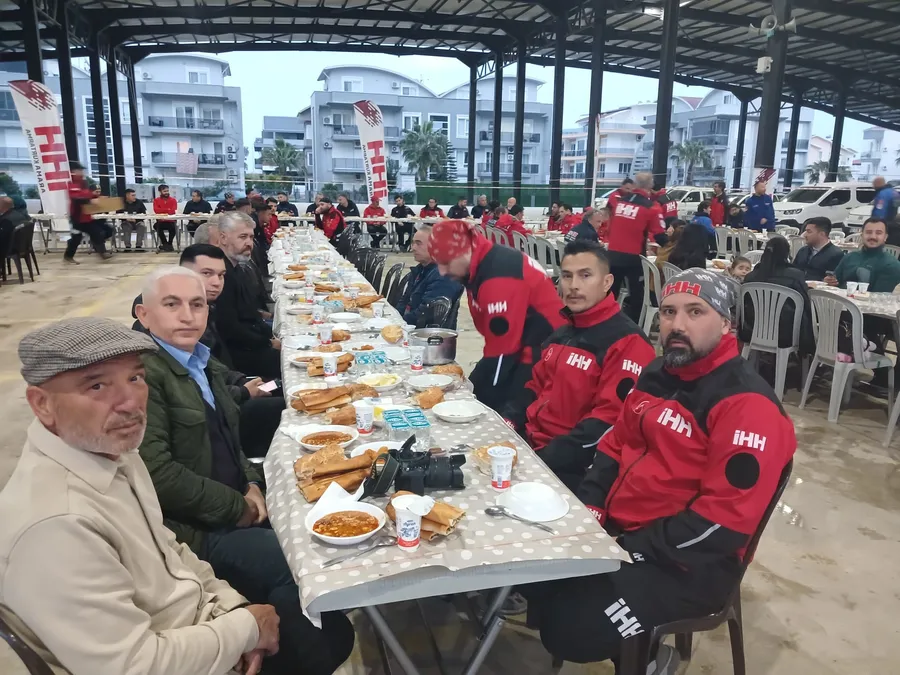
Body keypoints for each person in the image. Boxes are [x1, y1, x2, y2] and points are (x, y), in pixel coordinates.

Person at [524, 268, 796, 672]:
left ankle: (651, 661)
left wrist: (631, 546)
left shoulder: (747, 406)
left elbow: (722, 525)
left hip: (691, 563)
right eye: (669, 311)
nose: (677, 325)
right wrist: (592, 505)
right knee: (531, 573)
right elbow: (615, 444)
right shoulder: (657, 373)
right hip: (623, 530)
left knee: (572, 630)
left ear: (726, 323)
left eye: (695, 312)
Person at [0, 317, 286, 675]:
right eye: (97, 386)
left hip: (199, 632)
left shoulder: (113, 453)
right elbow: (133, 666)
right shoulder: (56, 526)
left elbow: (170, 550)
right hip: (176, 657)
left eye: (135, 378)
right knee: (313, 626)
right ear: (42, 404)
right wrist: (245, 629)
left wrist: (234, 610)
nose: (130, 402)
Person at [134, 269, 354, 675]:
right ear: (144, 315)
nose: (187, 315)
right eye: (172, 304)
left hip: (231, 500)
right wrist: (240, 507)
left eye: (197, 305)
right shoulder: (144, 377)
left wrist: (251, 483)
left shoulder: (197, 360)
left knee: (323, 508)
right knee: (308, 579)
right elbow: (158, 475)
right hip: (195, 533)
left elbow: (226, 437)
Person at [504, 241, 655, 491]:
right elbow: (533, 387)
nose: (573, 285)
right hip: (530, 446)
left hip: (574, 468)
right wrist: (507, 423)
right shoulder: (562, 333)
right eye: (567, 276)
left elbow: (608, 422)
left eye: (585, 275)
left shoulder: (627, 343)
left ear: (607, 282)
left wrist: (541, 460)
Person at [429, 219, 565, 412]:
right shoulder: (480, 263)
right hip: (521, 344)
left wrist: (482, 399)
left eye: (446, 263)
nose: (442, 272)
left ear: (465, 252)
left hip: (542, 354)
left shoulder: (499, 278)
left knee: (487, 407)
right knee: (471, 389)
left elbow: (503, 353)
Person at [215, 211, 282, 379]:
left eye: (251, 237)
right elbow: (230, 328)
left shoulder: (236, 267)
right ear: (223, 238)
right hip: (239, 356)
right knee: (291, 361)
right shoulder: (220, 275)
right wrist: (268, 343)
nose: (249, 243)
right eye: (242, 237)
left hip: (252, 340)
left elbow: (249, 312)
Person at [606, 171, 667, 321]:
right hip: (634, 257)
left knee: (610, 292)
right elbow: (660, 236)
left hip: (612, 254)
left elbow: (612, 226)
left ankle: (605, 321)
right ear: (651, 185)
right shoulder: (651, 208)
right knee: (637, 295)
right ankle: (635, 326)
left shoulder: (620, 202)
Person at [740, 237, 814, 356]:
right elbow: (805, 304)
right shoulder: (795, 276)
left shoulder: (751, 277)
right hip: (786, 334)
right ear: (787, 254)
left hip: (752, 329)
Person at [395, 226, 464, 327]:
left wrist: (398, 323)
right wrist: (395, 318)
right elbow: (404, 300)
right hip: (410, 325)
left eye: (418, 244)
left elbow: (426, 314)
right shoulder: (421, 269)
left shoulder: (444, 275)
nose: (413, 248)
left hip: (428, 333)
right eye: (413, 243)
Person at [827, 217, 900, 292]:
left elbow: (879, 297)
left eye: (878, 233)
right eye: (868, 232)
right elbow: (835, 281)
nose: (873, 236)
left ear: (885, 237)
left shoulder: (892, 265)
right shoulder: (849, 257)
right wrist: (830, 281)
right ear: (861, 235)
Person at [64, 161, 110, 264]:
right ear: (74, 171)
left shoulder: (83, 182)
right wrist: (90, 198)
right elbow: (77, 196)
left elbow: (87, 194)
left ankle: (102, 253)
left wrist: (95, 198)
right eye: (79, 170)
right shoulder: (72, 183)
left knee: (97, 232)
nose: (82, 172)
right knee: (76, 238)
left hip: (85, 216)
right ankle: (68, 256)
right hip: (76, 217)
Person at [792, 217, 846, 282]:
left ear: (822, 234)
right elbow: (793, 270)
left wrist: (823, 280)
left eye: (809, 232)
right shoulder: (803, 251)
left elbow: (835, 279)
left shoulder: (836, 254)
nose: (805, 235)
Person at [152, 184, 178, 252]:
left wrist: (163, 210)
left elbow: (173, 211)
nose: (166, 192)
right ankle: (165, 244)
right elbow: (156, 210)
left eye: (167, 191)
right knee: (156, 226)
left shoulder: (173, 200)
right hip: (161, 221)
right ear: (160, 192)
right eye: (164, 191)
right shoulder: (156, 200)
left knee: (173, 228)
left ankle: (169, 243)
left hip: (171, 221)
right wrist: (168, 210)